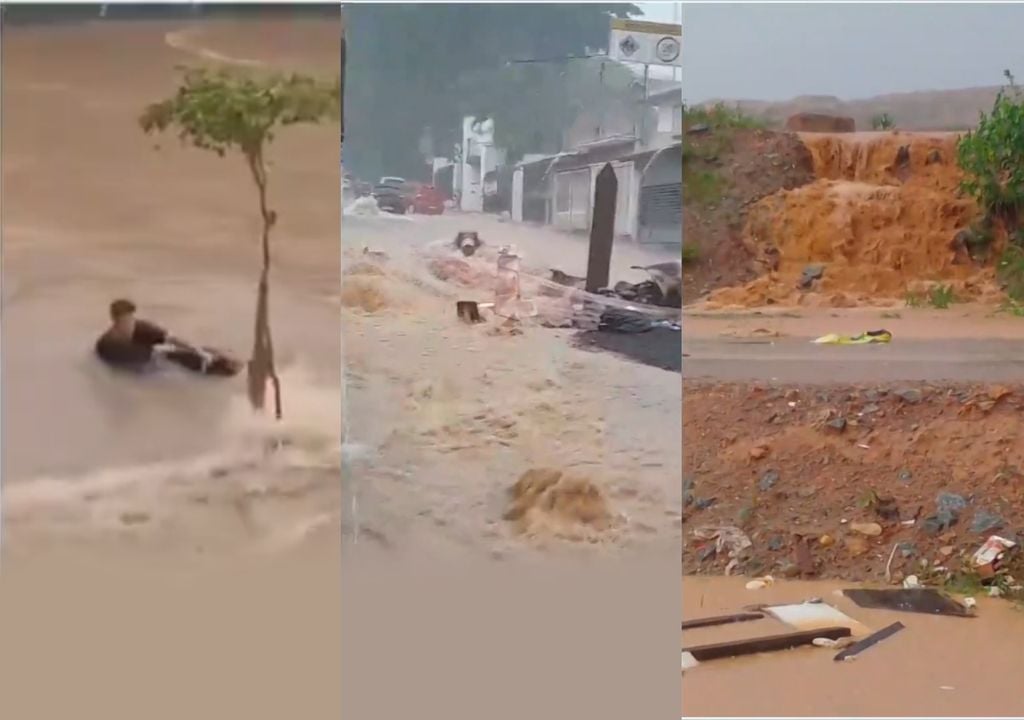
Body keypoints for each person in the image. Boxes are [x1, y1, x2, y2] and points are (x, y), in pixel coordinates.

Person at [95, 299, 240, 376]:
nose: (129, 324)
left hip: (151, 359)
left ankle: (225, 360)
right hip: (140, 368)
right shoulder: (108, 345)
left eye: (131, 319)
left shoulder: (140, 326)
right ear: (114, 321)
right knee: (172, 362)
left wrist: (199, 351)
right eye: (124, 321)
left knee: (197, 352)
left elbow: (172, 338)